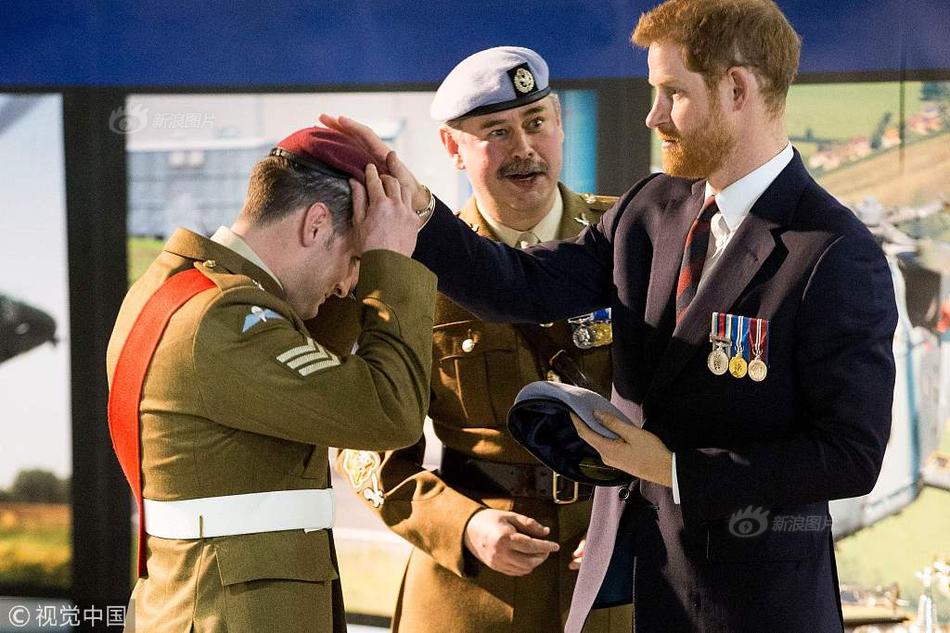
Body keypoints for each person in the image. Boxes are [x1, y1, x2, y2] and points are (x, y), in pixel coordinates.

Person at [320, 0, 899, 630]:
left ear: (737, 90)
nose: (654, 116)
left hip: (753, 607)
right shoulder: (652, 209)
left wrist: (670, 468)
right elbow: (520, 286)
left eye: (672, 93)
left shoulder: (833, 253)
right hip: (640, 596)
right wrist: (415, 204)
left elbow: (850, 454)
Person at [333, 46, 631, 632]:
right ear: (453, 147)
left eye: (536, 122)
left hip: (613, 572)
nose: (524, 148)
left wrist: (640, 521)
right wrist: (462, 525)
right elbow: (362, 439)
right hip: (471, 587)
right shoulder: (408, 265)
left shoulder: (632, 241)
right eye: (496, 131)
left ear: (560, 124)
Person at [105, 126, 436, 633]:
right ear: (316, 223)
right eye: (355, 261)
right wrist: (389, 267)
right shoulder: (225, 319)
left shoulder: (184, 290)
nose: (349, 285)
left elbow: (317, 365)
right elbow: (390, 412)